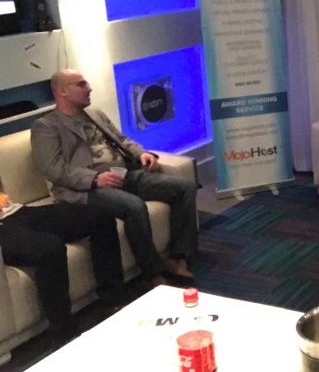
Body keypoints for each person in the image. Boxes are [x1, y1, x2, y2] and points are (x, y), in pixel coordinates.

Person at [31, 69, 197, 287]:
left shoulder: (94, 113)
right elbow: (54, 169)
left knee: (184, 187)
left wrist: (142, 153)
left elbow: (122, 140)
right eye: (81, 84)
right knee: (134, 206)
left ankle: (178, 258)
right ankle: (153, 273)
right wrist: (94, 179)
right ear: (62, 91)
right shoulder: (46, 126)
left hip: (124, 174)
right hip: (87, 188)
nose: (89, 88)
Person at [0, 193, 124, 343]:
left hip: (15, 211)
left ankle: (114, 301)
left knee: (101, 217)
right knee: (50, 248)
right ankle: (64, 334)